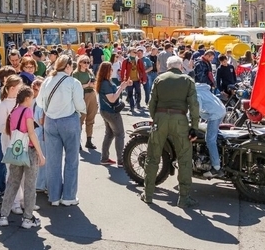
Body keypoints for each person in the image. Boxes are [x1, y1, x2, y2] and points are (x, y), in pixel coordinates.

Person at [142, 55, 200, 208]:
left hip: (160, 118)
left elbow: (151, 103)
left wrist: (156, 118)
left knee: (153, 156)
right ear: (180, 66)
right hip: (180, 120)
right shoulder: (187, 80)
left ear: (168, 66)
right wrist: (194, 126)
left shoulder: (159, 79)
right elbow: (194, 105)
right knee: (184, 158)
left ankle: (148, 194)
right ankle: (184, 198)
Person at [36, 55, 86, 206]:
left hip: (50, 122)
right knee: (71, 160)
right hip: (69, 121)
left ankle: (54, 196)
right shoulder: (73, 82)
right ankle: (69, 196)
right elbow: (80, 104)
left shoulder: (47, 81)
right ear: (68, 66)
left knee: (53, 161)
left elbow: (39, 102)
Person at [0, 86, 46, 229]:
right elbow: (31, 133)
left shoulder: (14, 111)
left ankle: (3, 215)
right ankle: (28, 218)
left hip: (16, 150)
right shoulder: (27, 111)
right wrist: (40, 153)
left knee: (12, 183)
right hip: (29, 150)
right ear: (27, 98)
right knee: (30, 185)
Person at [194, 49, 226, 178]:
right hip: (221, 110)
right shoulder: (203, 88)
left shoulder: (196, 92)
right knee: (213, 134)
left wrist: (191, 118)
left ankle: (216, 167)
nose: (212, 59)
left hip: (215, 114)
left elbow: (197, 109)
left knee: (209, 139)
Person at [0, 74, 24, 213]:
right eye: (19, 88)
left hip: (21, 141)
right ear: (12, 88)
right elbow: (1, 127)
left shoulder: (19, 102)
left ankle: (23, 200)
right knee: (13, 173)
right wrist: (17, 127)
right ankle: (14, 202)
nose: (21, 90)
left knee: (23, 172)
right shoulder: (2, 105)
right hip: (9, 142)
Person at [0, 66, 18, 204]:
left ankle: (6, 189)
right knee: (1, 158)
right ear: (5, 78)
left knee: (7, 158)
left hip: (9, 129)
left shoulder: (14, 92)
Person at [95, 62, 131, 166]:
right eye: (111, 69)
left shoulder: (105, 82)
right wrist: (121, 88)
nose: (112, 71)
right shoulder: (105, 83)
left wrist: (123, 86)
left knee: (109, 134)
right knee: (119, 134)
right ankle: (121, 160)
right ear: (106, 71)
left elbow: (112, 92)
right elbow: (112, 98)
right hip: (111, 112)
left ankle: (104, 158)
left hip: (105, 111)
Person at [72, 55, 98, 150]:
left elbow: (94, 84)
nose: (86, 64)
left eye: (88, 62)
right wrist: (87, 85)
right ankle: (77, 141)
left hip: (92, 94)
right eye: (84, 62)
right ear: (80, 63)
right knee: (80, 120)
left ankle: (89, 140)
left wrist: (93, 84)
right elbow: (75, 87)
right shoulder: (76, 74)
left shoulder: (90, 72)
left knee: (91, 119)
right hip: (82, 96)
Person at [120, 47, 147, 113]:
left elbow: (143, 70)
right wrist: (123, 80)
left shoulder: (138, 60)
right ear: (130, 52)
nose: (135, 53)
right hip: (129, 80)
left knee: (138, 93)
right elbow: (122, 71)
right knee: (130, 93)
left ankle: (138, 103)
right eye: (134, 51)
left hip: (137, 79)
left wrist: (144, 79)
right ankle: (132, 107)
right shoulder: (126, 61)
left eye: (136, 51)